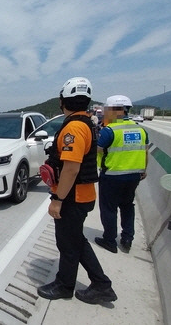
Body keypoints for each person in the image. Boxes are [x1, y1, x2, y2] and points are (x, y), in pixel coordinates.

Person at [37, 77, 117, 304]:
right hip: (82, 194)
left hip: (73, 197)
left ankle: (66, 286)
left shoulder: (73, 127)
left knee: (68, 244)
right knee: (75, 241)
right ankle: (101, 285)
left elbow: (71, 168)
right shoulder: (86, 123)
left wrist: (57, 199)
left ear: (63, 101)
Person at [95, 95, 148, 253]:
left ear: (114, 111)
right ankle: (127, 238)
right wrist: (144, 170)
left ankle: (110, 241)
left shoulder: (110, 131)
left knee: (108, 208)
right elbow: (145, 152)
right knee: (127, 206)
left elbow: (97, 150)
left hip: (112, 175)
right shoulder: (141, 129)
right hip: (134, 176)